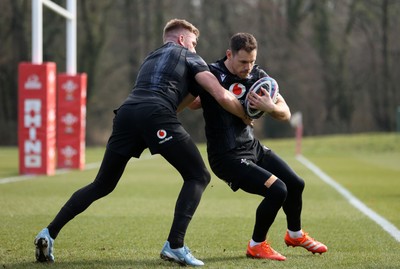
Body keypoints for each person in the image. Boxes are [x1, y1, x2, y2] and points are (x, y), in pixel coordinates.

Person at [34, 19, 251, 267]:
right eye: (193, 42)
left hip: (127, 113)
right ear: (182, 40)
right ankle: (175, 245)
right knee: (198, 176)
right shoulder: (191, 57)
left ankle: (48, 233)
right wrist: (245, 115)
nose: (194, 47)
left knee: (102, 184)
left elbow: (178, 101)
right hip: (155, 113)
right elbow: (220, 94)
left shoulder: (150, 58)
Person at [193, 33, 327, 261]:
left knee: (295, 184)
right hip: (227, 157)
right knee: (278, 190)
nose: (249, 67)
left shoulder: (258, 77)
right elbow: (195, 102)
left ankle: (294, 234)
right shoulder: (212, 73)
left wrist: (271, 107)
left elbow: (285, 113)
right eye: (243, 62)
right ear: (229, 54)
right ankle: (257, 245)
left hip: (252, 148)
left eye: (252, 61)